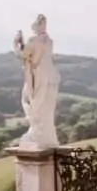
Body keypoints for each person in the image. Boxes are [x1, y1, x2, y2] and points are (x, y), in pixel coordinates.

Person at [13, 14, 60, 149]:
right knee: (47, 109)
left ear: (37, 25)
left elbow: (24, 54)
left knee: (33, 104)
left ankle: (38, 135)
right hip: (52, 75)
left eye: (34, 24)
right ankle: (47, 136)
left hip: (40, 76)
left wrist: (16, 43)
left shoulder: (34, 39)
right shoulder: (49, 41)